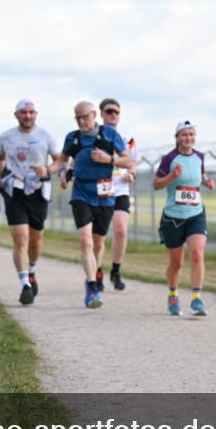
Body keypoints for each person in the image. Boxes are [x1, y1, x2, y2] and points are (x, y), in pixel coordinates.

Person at [59, 101, 132, 308]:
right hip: (81, 192)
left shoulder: (110, 135)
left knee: (98, 243)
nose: (82, 121)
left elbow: (128, 162)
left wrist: (109, 159)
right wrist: (63, 173)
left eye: (86, 116)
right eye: (78, 117)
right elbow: (63, 159)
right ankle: (92, 287)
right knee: (86, 241)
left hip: (105, 195)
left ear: (94, 115)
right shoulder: (72, 137)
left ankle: (95, 272)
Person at [0, 99, 63, 305]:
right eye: (23, 112)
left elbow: (60, 160)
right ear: (16, 115)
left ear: (36, 114)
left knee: (35, 238)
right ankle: (25, 285)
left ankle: (31, 270)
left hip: (39, 190)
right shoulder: (6, 136)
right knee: (20, 238)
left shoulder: (45, 136)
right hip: (14, 189)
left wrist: (48, 170)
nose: (28, 116)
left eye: (31, 112)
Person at [153, 120, 214, 317]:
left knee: (197, 254)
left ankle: (197, 299)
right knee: (176, 262)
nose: (188, 138)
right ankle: (173, 294)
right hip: (173, 217)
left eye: (191, 134)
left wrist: (207, 182)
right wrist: (171, 176)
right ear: (177, 137)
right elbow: (156, 185)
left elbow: (201, 174)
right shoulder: (169, 158)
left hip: (195, 213)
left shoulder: (200, 157)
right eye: (184, 134)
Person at [101, 97, 137, 290]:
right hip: (100, 189)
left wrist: (131, 173)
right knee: (98, 235)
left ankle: (115, 270)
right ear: (101, 114)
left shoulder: (128, 137)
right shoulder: (95, 135)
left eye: (116, 111)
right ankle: (96, 271)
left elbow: (133, 161)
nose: (113, 114)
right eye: (109, 111)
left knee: (121, 230)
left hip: (121, 190)